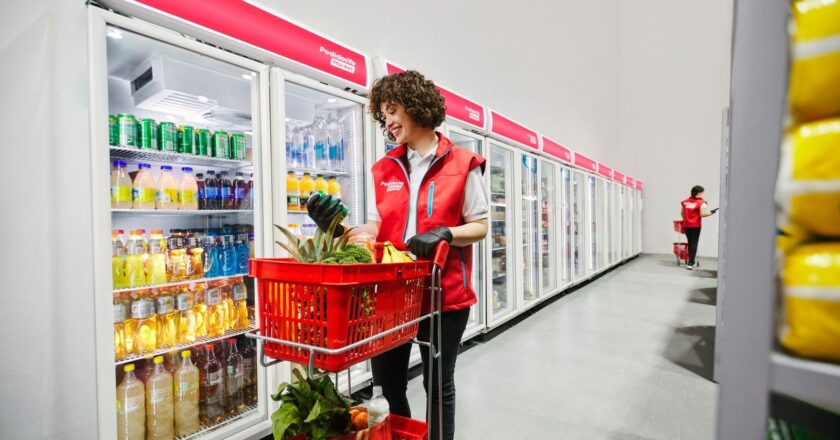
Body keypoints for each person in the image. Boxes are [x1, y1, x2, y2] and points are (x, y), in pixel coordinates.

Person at [305, 70, 488, 440]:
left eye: (393, 111)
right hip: (390, 296)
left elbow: (481, 226)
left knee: (437, 385)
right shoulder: (383, 168)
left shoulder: (462, 163)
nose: (387, 122)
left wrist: (447, 233)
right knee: (388, 386)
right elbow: (375, 228)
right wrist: (336, 227)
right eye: (383, 115)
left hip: (444, 297)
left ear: (417, 107)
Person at [680, 185, 718, 270]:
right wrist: (712, 212)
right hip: (695, 226)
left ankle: (690, 261)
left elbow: (682, 213)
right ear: (699, 193)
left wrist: (687, 220)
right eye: (702, 192)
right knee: (694, 243)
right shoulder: (701, 203)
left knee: (690, 243)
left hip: (686, 225)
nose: (703, 194)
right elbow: (703, 214)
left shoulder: (685, 202)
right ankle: (691, 263)